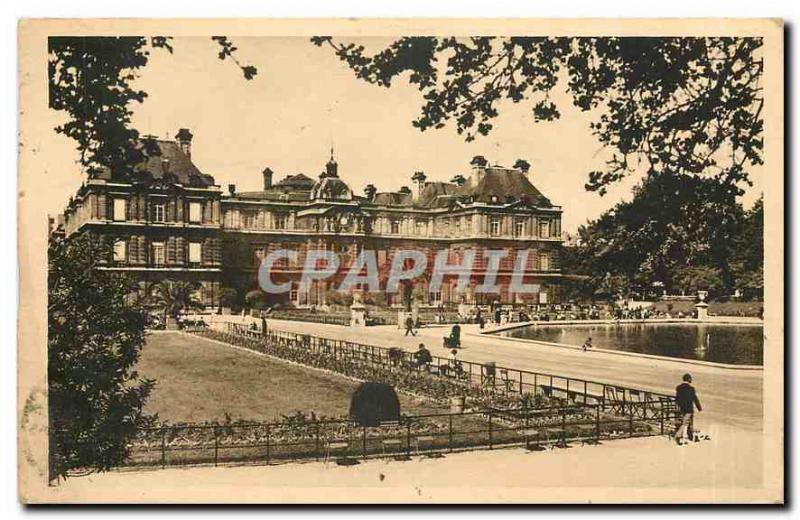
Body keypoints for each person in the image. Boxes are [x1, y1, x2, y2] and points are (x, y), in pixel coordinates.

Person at [674, 373, 702, 445]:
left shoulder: (678, 387)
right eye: (690, 379)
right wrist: (699, 408)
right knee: (687, 423)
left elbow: (677, 398)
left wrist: (679, 406)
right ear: (689, 379)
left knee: (686, 422)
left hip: (682, 408)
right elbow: (695, 399)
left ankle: (690, 435)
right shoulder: (691, 389)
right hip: (689, 409)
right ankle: (679, 436)